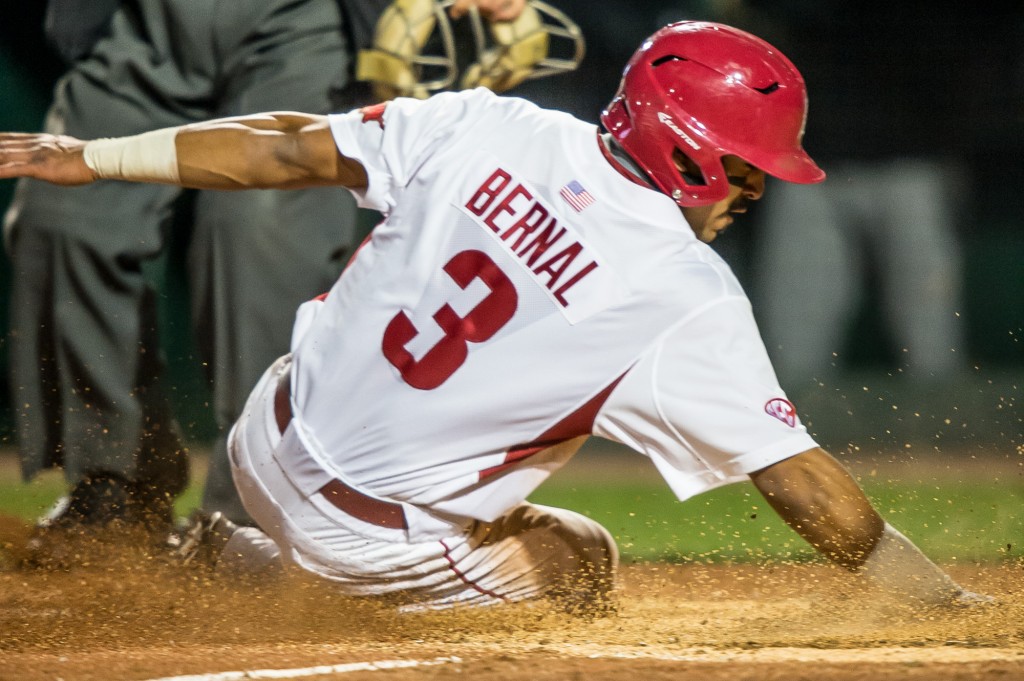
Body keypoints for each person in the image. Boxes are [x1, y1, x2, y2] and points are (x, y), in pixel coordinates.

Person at [0, 21, 986, 611]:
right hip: (362, 544)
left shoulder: (489, 121)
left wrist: (91, 155)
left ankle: (245, 543)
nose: (756, 187)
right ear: (686, 148)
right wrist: (938, 603)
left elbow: (285, 148)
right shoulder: (684, 290)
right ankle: (266, 574)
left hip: (259, 440)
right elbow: (802, 486)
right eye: (746, 164)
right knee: (583, 561)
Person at [3, 0, 580, 560]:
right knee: (59, 220)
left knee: (258, 230)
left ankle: (249, 515)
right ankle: (116, 484)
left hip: (304, 20)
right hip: (141, 20)